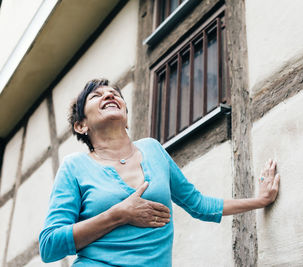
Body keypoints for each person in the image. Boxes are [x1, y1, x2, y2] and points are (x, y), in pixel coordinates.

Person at [39, 78, 280, 266]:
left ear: (125, 115)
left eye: (114, 93)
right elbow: (49, 246)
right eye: (96, 95)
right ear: (81, 125)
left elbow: (200, 205)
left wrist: (261, 200)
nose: (110, 94)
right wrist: (118, 215)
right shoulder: (74, 167)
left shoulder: (153, 150)